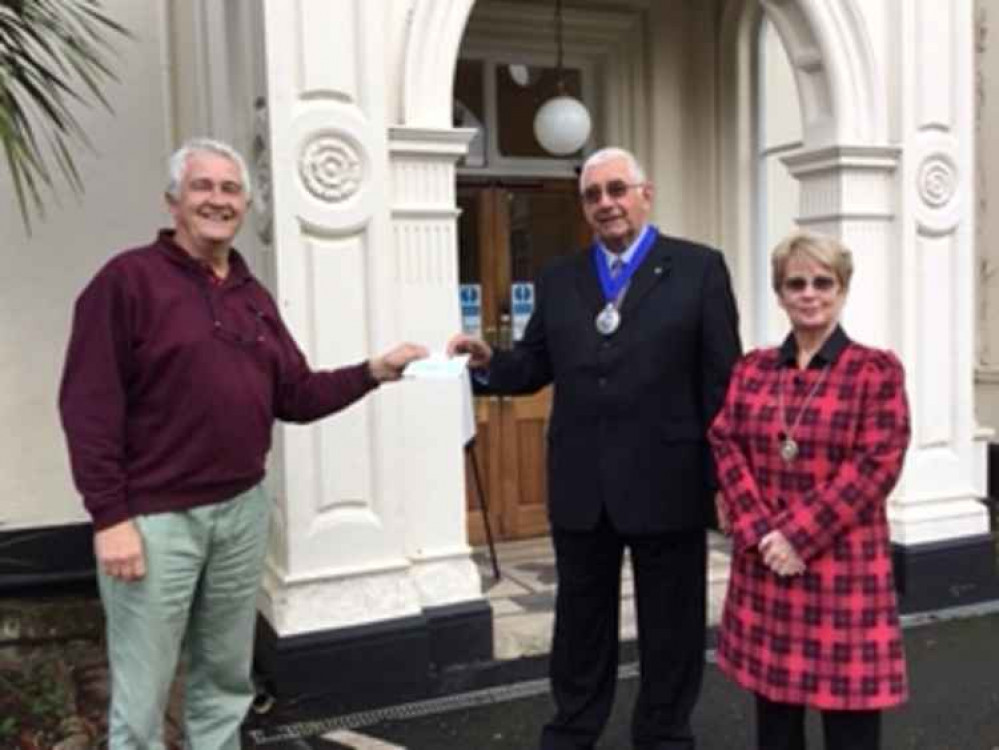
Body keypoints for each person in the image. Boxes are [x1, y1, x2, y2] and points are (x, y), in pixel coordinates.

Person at [58, 137, 427, 749]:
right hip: (154, 521)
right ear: (173, 201)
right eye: (202, 187)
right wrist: (110, 518)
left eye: (231, 190)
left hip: (241, 511)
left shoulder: (252, 298)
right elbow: (88, 408)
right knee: (143, 695)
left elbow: (298, 395)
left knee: (224, 680)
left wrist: (373, 371)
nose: (218, 200)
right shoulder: (126, 283)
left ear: (246, 205)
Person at [448, 147, 741, 750]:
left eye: (617, 190)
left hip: (669, 481)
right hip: (582, 484)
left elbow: (723, 385)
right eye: (593, 195)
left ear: (645, 193)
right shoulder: (561, 278)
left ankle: (662, 733)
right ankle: (574, 729)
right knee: (581, 622)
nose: (606, 203)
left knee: (672, 625)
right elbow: (533, 365)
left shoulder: (698, 269)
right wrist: (489, 362)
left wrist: (725, 483)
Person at [708, 231, 910, 750]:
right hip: (767, 567)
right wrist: (760, 532)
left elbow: (877, 464)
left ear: (842, 291)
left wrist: (796, 536)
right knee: (775, 723)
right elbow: (725, 441)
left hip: (843, 570)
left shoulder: (873, 371)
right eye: (795, 283)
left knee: (850, 728)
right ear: (779, 294)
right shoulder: (752, 370)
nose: (809, 293)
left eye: (823, 282)